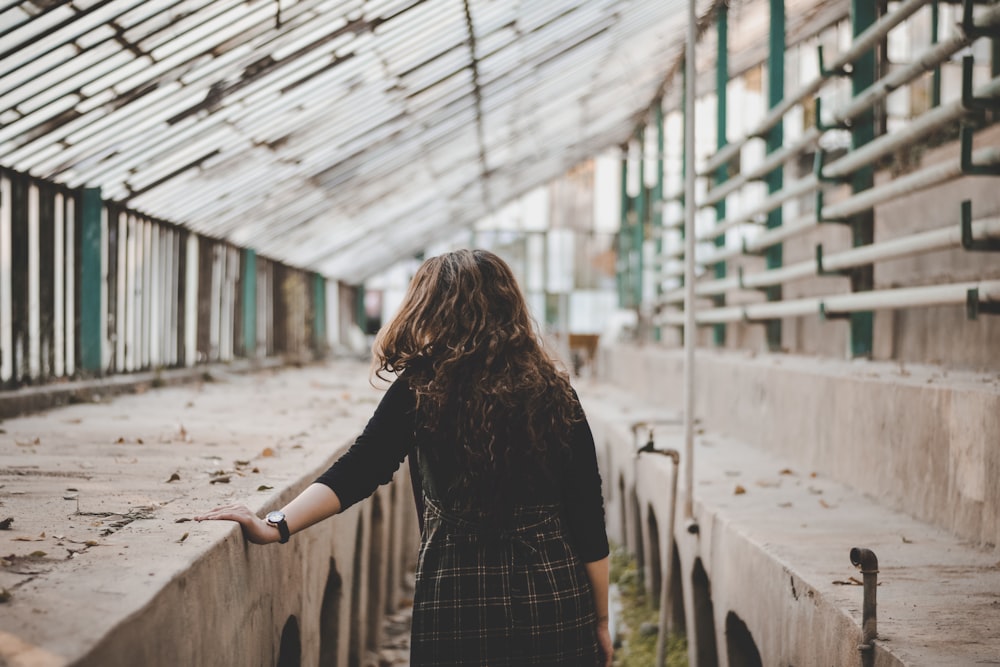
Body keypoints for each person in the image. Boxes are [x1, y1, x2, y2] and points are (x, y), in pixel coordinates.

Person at [196, 249, 612, 666]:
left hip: (457, 585)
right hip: (551, 586)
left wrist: (277, 524)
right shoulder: (553, 392)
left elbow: (362, 467)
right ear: (510, 308)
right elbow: (587, 514)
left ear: (429, 308)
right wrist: (600, 618)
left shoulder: (422, 386)